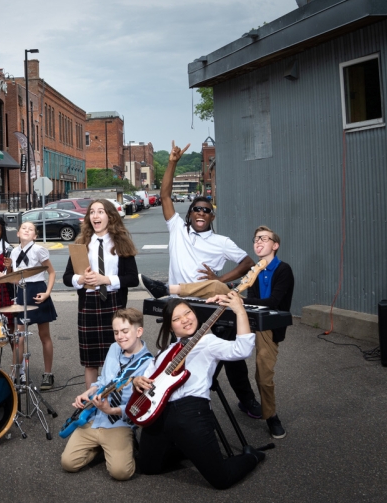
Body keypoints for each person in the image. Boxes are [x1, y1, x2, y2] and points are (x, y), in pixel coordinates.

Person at [143, 140, 261, 419]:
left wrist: (221, 278)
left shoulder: (221, 242)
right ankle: (174, 406)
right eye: (197, 209)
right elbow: (166, 195)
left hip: (209, 302)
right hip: (181, 307)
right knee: (178, 360)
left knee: (230, 355)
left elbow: (247, 263)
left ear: (212, 215)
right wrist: (171, 161)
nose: (201, 213)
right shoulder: (177, 230)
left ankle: (247, 400)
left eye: (206, 210)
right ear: (190, 213)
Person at [133, 294, 265, 490]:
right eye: (177, 319)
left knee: (221, 479)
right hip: (158, 414)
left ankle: (251, 456)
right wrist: (137, 380)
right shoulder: (164, 352)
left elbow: (243, 349)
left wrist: (239, 311)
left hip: (190, 412)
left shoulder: (208, 342)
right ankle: (187, 448)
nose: (185, 319)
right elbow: (148, 377)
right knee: (148, 467)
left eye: (188, 313)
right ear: (170, 327)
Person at [207, 226, 294, 439]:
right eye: (256, 239)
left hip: (269, 325)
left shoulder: (283, 270)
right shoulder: (254, 269)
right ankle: (170, 290)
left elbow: (273, 302)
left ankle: (271, 415)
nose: (258, 242)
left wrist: (241, 300)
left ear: (275, 245)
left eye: (264, 239)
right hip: (248, 319)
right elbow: (249, 300)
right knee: (223, 354)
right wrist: (232, 298)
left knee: (263, 376)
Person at [61, 308, 153, 481]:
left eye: (125, 331)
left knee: (121, 473)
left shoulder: (149, 364)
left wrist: (111, 410)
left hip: (118, 422)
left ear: (139, 331)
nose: (120, 337)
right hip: (94, 417)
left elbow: (141, 406)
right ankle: (102, 447)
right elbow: (103, 381)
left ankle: (116, 444)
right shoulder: (113, 348)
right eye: (116, 332)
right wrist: (87, 393)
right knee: (68, 463)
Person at [63, 199, 139, 389]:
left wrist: (106, 280)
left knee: (114, 357)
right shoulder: (82, 244)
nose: (95, 216)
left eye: (101, 212)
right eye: (92, 212)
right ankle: (91, 406)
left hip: (113, 304)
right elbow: (67, 277)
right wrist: (80, 280)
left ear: (110, 216)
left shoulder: (121, 244)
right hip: (88, 304)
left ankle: (112, 403)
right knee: (91, 361)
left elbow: (132, 279)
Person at [8, 221, 58, 390]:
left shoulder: (38, 250)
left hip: (38, 291)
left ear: (35, 236)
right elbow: (16, 278)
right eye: (24, 228)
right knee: (19, 337)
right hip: (22, 292)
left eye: (31, 229)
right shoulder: (14, 252)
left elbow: (51, 272)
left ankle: (48, 374)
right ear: (18, 233)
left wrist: (47, 293)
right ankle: (16, 374)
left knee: (44, 335)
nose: (27, 230)